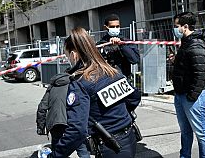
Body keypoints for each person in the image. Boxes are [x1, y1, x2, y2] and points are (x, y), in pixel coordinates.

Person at [46, 27, 141, 158]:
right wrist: (118, 116)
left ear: (73, 55)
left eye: (67, 55)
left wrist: (55, 155)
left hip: (109, 146)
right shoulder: (112, 71)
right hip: (129, 138)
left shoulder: (80, 83)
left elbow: (77, 130)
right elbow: (134, 97)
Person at [171, 12, 205, 158]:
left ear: (185, 26)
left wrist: (192, 96)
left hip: (193, 96)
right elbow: (189, 66)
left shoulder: (196, 44)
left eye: (177, 26)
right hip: (182, 93)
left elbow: (200, 75)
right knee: (185, 132)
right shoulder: (187, 42)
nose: (175, 29)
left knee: (201, 132)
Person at [97, 14, 140, 79]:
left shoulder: (126, 41)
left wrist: (121, 45)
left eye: (117, 26)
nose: (115, 28)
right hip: (107, 81)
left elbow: (135, 60)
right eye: (112, 26)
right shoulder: (101, 44)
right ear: (105, 27)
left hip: (124, 79)